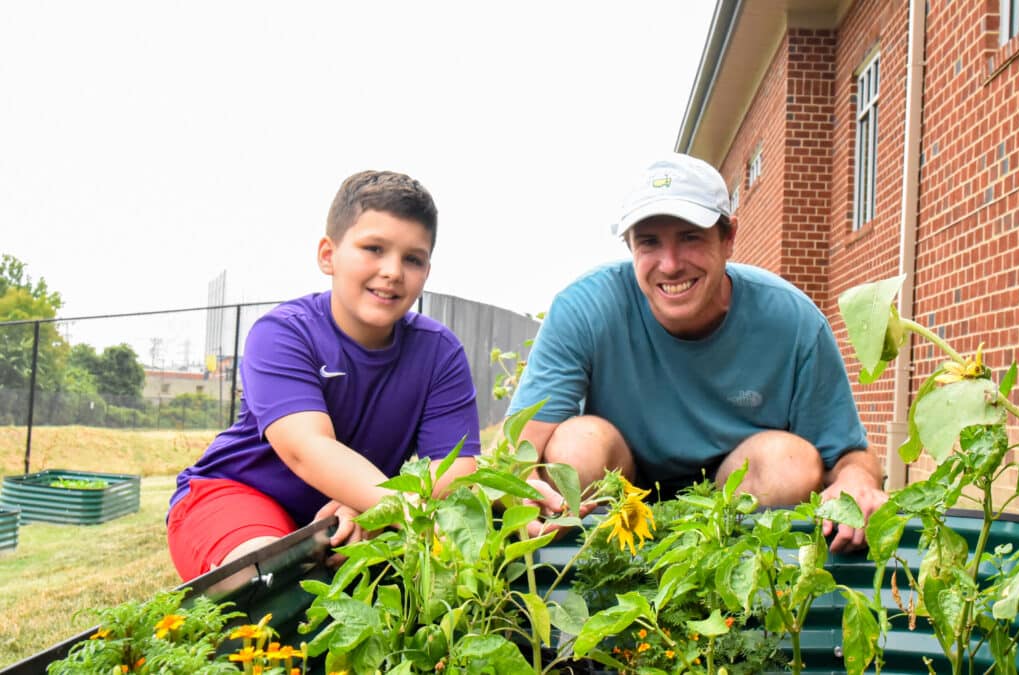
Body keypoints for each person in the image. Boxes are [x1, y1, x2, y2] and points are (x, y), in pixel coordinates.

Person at [508, 153, 886, 552]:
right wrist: (524, 490)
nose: (670, 265)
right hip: (621, 501)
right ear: (629, 247)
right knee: (574, 445)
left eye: (690, 237)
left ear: (728, 238)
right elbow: (518, 455)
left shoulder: (793, 322)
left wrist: (857, 484)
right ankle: (583, 572)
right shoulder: (585, 309)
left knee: (790, 462)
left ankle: (742, 594)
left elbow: (849, 457)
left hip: (731, 506)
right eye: (650, 242)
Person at [167, 170, 481, 582]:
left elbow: (457, 471)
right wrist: (387, 504)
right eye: (374, 248)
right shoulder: (283, 332)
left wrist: (368, 502)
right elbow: (308, 448)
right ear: (327, 255)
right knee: (266, 580)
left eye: (412, 259)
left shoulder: (439, 353)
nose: (392, 271)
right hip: (237, 494)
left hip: (347, 507)